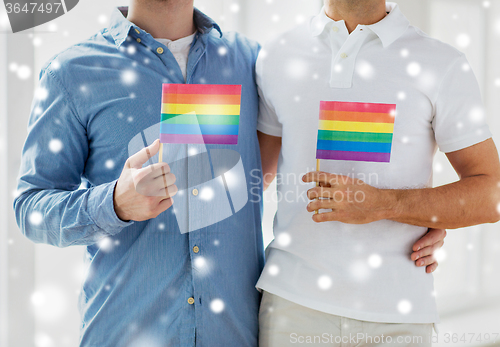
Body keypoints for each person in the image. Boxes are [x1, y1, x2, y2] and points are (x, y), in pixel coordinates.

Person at [14, 0, 445, 346]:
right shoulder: (73, 72)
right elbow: (30, 208)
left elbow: (306, 161)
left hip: (236, 333)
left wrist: (413, 216)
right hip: (126, 328)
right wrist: (113, 203)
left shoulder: (252, 61)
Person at [256, 1, 500, 346]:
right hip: (292, 308)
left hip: (399, 319)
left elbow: (491, 196)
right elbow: (253, 180)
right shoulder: (277, 54)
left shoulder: (442, 63)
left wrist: (389, 204)